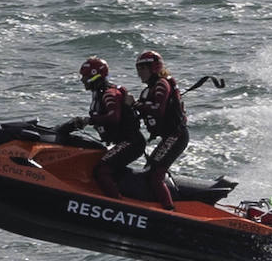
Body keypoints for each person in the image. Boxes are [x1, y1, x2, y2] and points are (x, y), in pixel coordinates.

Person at [58, 56, 146, 199]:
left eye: (84, 76)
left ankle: (116, 202)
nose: (82, 80)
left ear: (94, 76)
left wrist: (90, 121)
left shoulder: (109, 94)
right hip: (124, 142)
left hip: (131, 142)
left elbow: (114, 117)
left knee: (102, 169)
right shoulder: (99, 94)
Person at [134, 49, 189, 210]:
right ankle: (155, 202)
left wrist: (136, 105)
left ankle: (168, 210)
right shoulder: (153, 87)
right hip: (170, 136)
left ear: (154, 68)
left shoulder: (161, 84)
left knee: (155, 174)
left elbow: (158, 109)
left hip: (176, 136)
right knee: (150, 167)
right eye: (138, 70)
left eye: (142, 69)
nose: (139, 74)